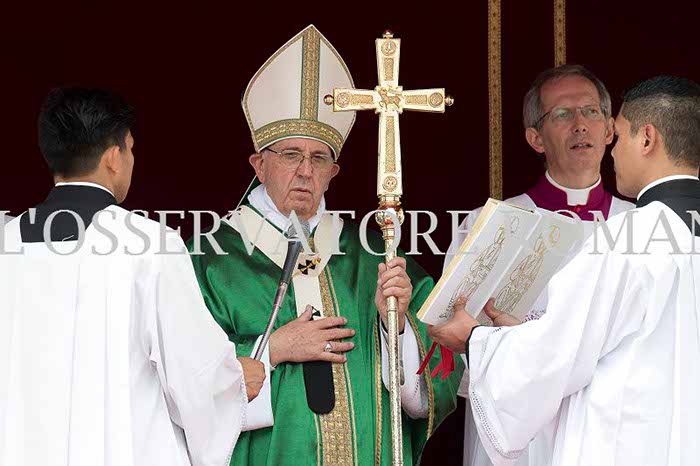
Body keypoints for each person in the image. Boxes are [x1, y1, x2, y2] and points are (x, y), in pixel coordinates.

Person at [187, 25, 462, 466]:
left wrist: (395, 325)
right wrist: (272, 349)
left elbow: (440, 368)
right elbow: (181, 374)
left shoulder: (376, 256)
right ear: (259, 165)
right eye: (290, 155)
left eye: (318, 158)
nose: (305, 171)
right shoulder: (209, 260)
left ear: (333, 173)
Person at [429, 75, 700, 466]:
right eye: (562, 114)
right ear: (536, 137)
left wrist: (476, 341)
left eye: (617, 134)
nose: (611, 149)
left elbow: (557, 353)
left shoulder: (627, 235)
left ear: (646, 139)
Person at [0, 87, 265, 466]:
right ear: (113, 157)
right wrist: (235, 381)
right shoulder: (149, 244)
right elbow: (194, 377)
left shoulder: (6, 243)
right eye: (130, 149)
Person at [444, 64, 634, 466]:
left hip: (614, 429)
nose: (580, 124)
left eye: (591, 111)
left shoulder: (642, 227)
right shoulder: (490, 226)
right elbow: (452, 337)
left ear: (609, 130)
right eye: (562, 114)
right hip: (521, 437)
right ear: (535, 138)